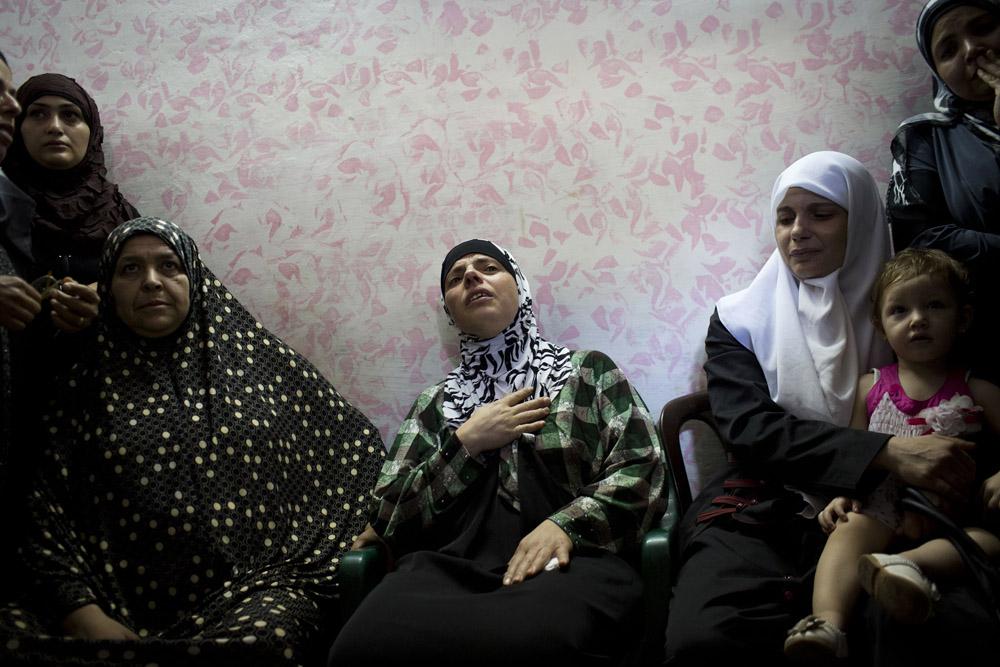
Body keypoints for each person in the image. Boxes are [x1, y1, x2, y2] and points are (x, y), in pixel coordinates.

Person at [0, 217, 385, 666]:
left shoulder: (262, 367)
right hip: (109, 602)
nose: (151, 282)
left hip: (251, 597)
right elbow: (44, 517)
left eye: (169, 266)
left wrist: (372, 525)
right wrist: (82, 613)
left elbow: (355, 447)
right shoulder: (78, 393)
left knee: (263, 646)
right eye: (129, 270)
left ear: (196, 279)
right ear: (106, 287)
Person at [664, 151, 995, 666]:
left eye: (822, 214)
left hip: (908, 509)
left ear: (859, 219)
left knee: (920, 627)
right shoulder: (738, 319)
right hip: (763, 503)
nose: (798, 231)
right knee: (707, 639)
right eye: (785, 216)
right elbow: (751, 429)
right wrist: (885, 451)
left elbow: (969, 409)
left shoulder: (917, 304)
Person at [329, 239, 666, 666]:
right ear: (450, 311)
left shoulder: (588, 373)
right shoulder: (438, 404)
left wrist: (566, 525)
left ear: (519, 286)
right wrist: (467, 443)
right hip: (448, 572)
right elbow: (391, 514)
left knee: (528, 644)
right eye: (456, 277)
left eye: (488, 267)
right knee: (357, 647)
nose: (471, 276)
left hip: (572, 563)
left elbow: (644, 468)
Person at [783, 248, 1000, 662]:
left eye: (934, 305)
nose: (918, 319)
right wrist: (841, 496)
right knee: (849, 531)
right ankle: (826, 625)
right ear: (880, 326)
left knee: (987, 544)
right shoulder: (870, 387)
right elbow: (854, 453)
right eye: (900, 310)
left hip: (954, 517)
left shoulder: (979, 390)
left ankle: (902, 567)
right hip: (882, 507)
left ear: (964, 318)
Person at [888, 0, 1000, 383]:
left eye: (984, 27)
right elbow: (920, 239)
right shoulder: (923, 139)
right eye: (948, 50)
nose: (971, 50)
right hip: (985, 345)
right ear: (938, 73)